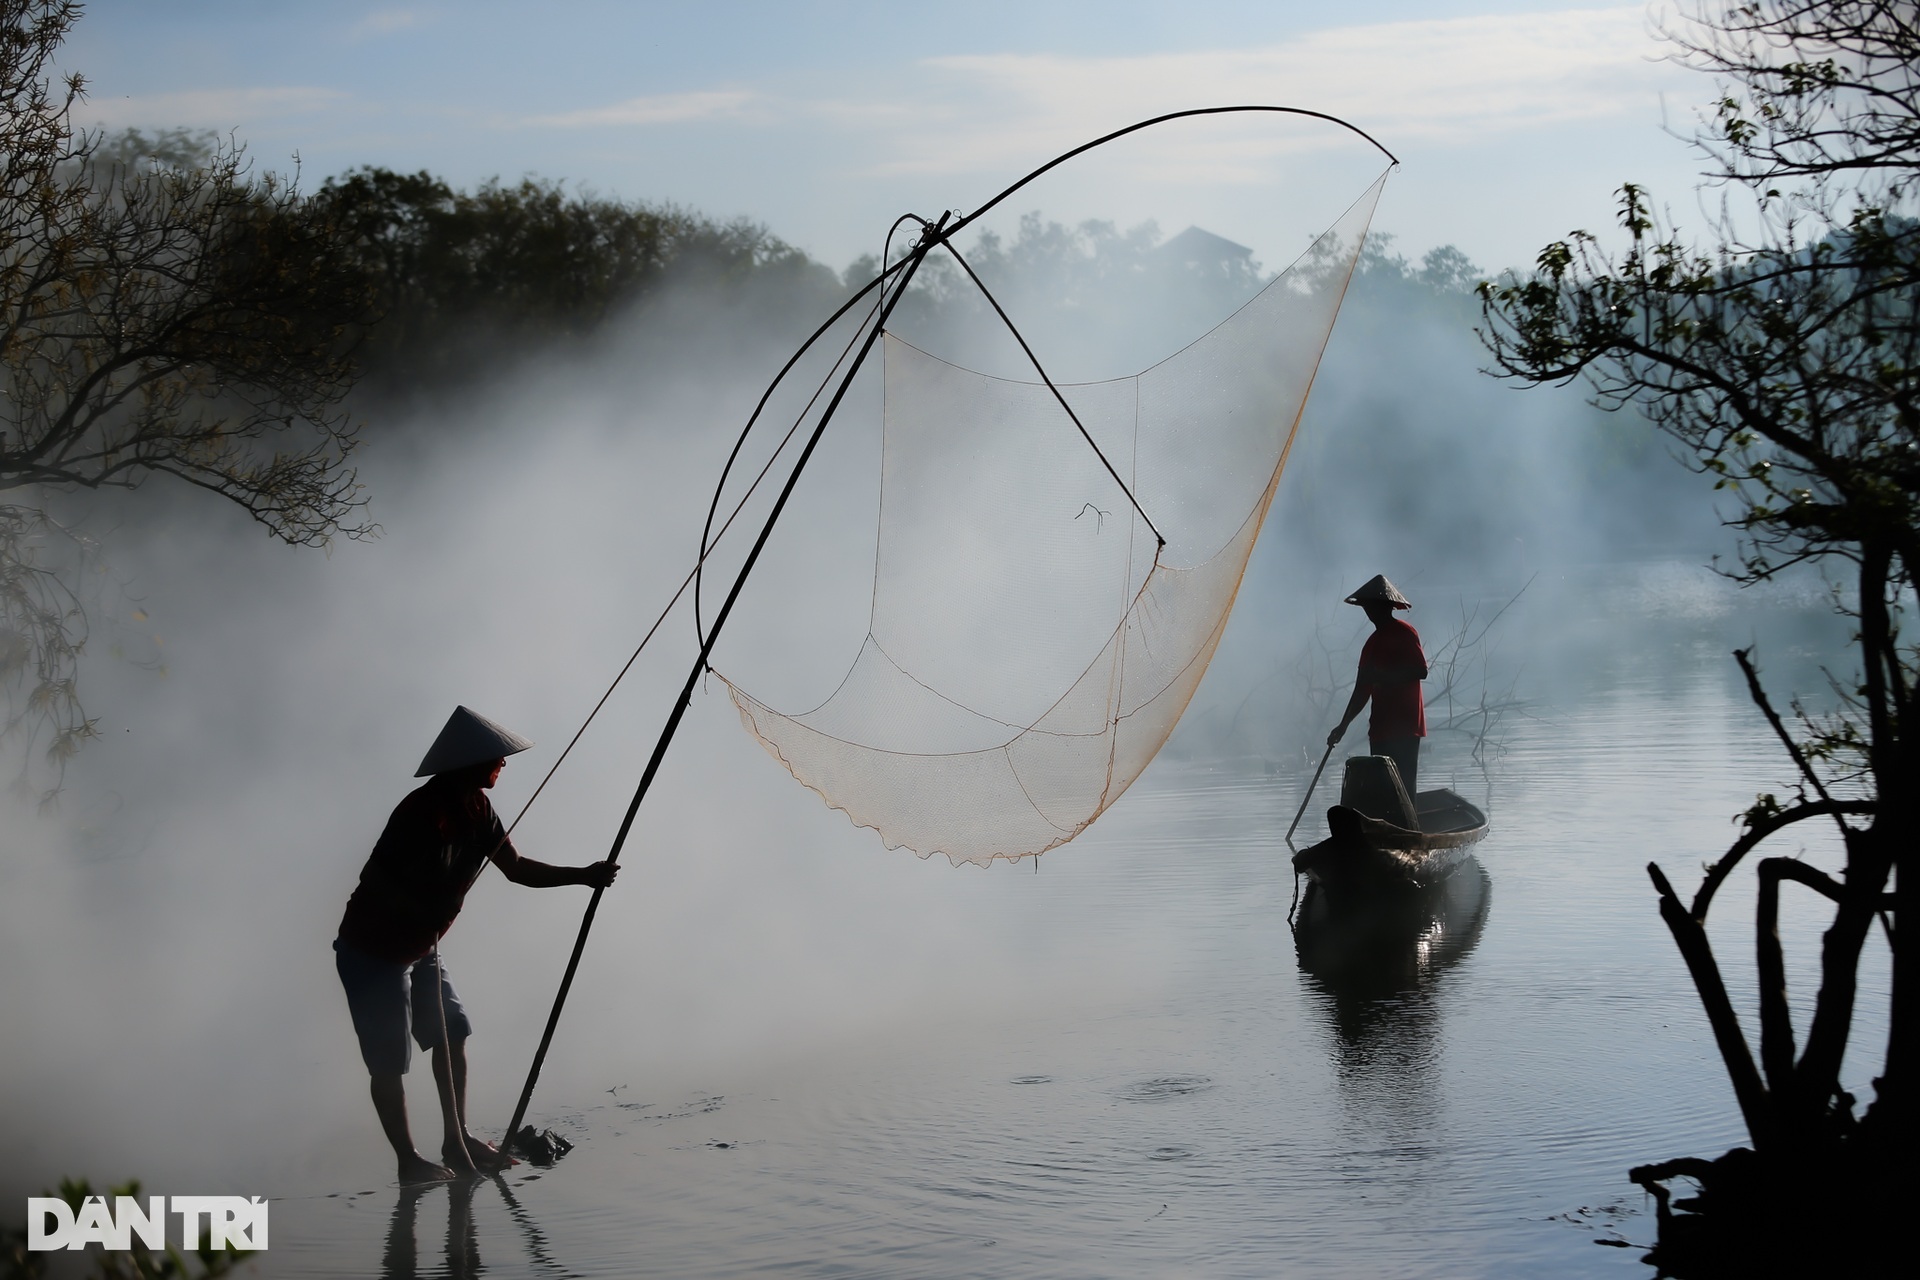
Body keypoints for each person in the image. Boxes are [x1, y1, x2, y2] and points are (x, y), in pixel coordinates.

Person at [334, 705, 619, 1185]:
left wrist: (583, 877)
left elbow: (515, 867)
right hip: (375, 951)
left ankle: (456, 1136)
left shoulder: (477, 807)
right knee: (389, 1062)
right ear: (471, 762)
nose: (503, 764)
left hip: (422, 947)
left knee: (453, 1033)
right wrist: (422, 908)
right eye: (497, 757)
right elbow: (378, 881)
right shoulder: (420, 811)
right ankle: (409, 1161)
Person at [1326, 575, 1428, 797]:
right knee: (1384, 792)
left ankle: (1409, 831)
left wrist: (1384, 676)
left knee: (1405, 789)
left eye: (1373, 606)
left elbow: (1421, 670)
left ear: (1386, 607)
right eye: (1367, 607)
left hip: (1406, 726)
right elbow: (1361, 690)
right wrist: (1342, 726)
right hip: (1381, 729)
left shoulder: (1404, 633)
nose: (1370, 612)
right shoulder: (1371, 645)